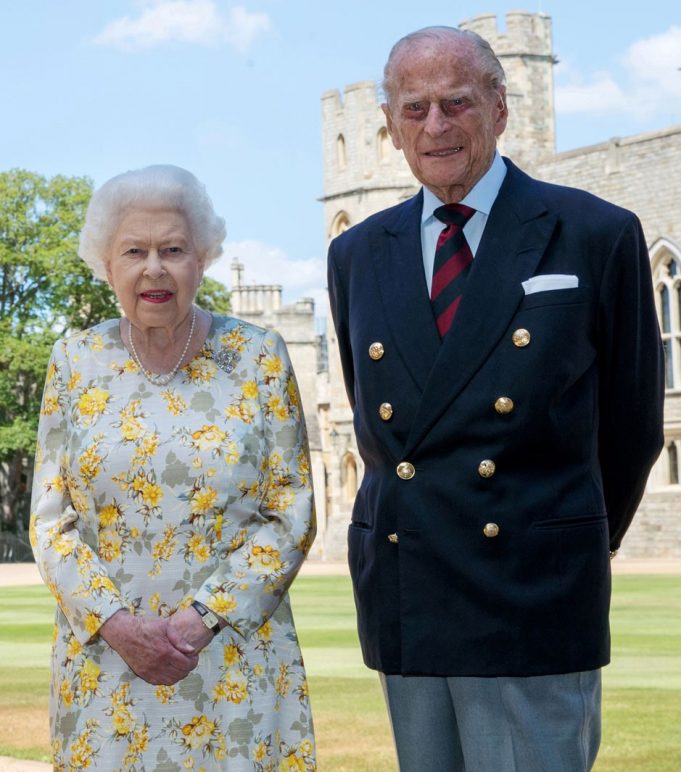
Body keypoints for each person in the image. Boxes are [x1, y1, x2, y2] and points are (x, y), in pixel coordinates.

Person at [327, 26, 664, 772]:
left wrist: (557, 535)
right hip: (409, 591)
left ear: (500, 108)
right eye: (413, 109)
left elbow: (634, 424)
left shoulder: (592, 233)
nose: (435, 126)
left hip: (532, 591)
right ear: (388, 125)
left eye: (456, 102)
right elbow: (377, 420)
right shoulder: (356, 252)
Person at [30, 164, 316, 770]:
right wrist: (118, 626)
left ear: (203, 260)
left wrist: (202, 618)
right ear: (106, 265)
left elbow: (290, 511)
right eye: (134, 250)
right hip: (107, 663)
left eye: (174, 249)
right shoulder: (74, 360)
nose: (154, 268)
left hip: (232, 658)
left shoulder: (259, 356)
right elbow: (51, 521)